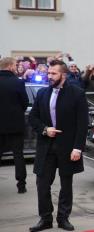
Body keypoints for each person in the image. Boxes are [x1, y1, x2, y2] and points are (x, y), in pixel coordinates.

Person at [29, 59, 89, 231]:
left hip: (68, 147)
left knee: (66, 185)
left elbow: (82, 123)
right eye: (48, 73)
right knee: (42, 184)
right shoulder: (42, 94)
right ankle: (45, 219)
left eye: (53, 73)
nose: (49, 76)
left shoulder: (77, 93)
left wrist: (78, 148)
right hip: (46, 146)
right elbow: (33, 118)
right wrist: (45, 129)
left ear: (63, 75)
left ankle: (63, 219)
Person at [0, 57, 29, 193]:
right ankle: (21, 185)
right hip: (15, 125)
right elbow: (24, 102)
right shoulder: (18, 83)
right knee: (18, 155)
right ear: (11, 66)